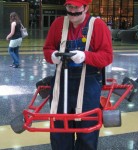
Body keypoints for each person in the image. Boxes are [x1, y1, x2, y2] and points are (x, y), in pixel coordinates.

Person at [43, 0, 113, 149]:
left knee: (87, 130)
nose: (72, 11)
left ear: (86, 7)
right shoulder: (58, 24)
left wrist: (85, 56)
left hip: (88, 85)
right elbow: (47, 48)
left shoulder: (98, 26)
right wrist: (53, 55)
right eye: (69, 6)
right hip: (61, 84)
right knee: (59, 129)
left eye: (76, 7)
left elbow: (107, 56)